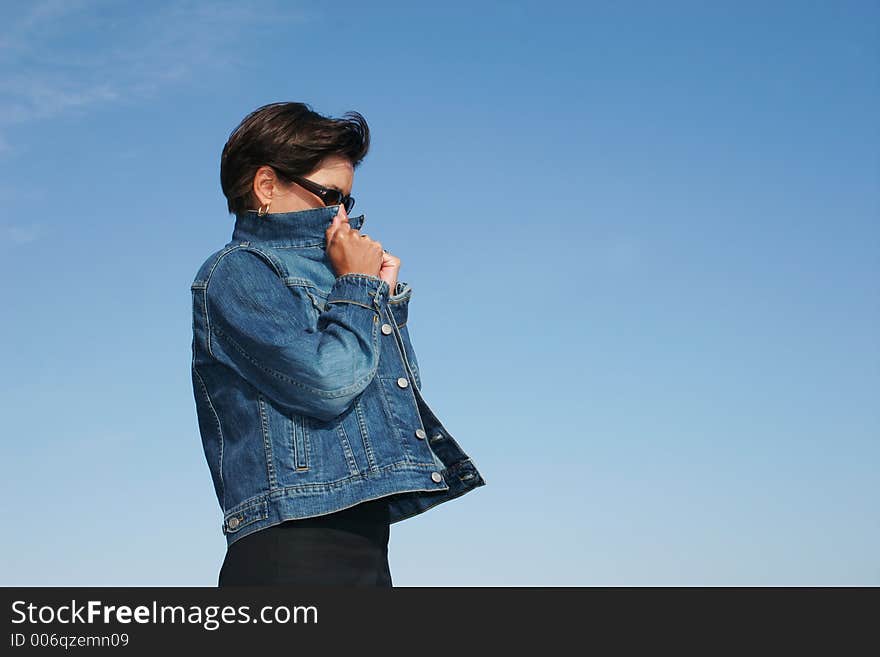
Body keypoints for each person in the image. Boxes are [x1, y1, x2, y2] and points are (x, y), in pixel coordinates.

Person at [190, 102, 486, 587]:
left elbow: (394, 399)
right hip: (293, 544)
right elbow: (327, 384)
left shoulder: (338, 275)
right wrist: (356, 285)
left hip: (362, 538)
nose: (342, 217)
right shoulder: (239, 270)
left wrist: (382, 298)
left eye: (347, 201)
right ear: (266, 186)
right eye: (329, 196)